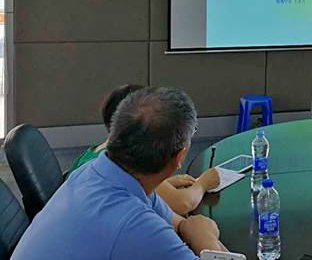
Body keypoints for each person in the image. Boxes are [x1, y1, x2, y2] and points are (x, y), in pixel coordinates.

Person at [12, 87, 228, 259]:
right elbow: (184, 229)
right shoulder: (136, 224)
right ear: (180, 157)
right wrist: (206, 239)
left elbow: (180, 224)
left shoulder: (96, 171)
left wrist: (194, 231)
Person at [68, 84, 219, 215]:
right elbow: (182, 203)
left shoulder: (95, 156)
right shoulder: (127, 166)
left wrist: (168, 183)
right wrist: (204, 183)